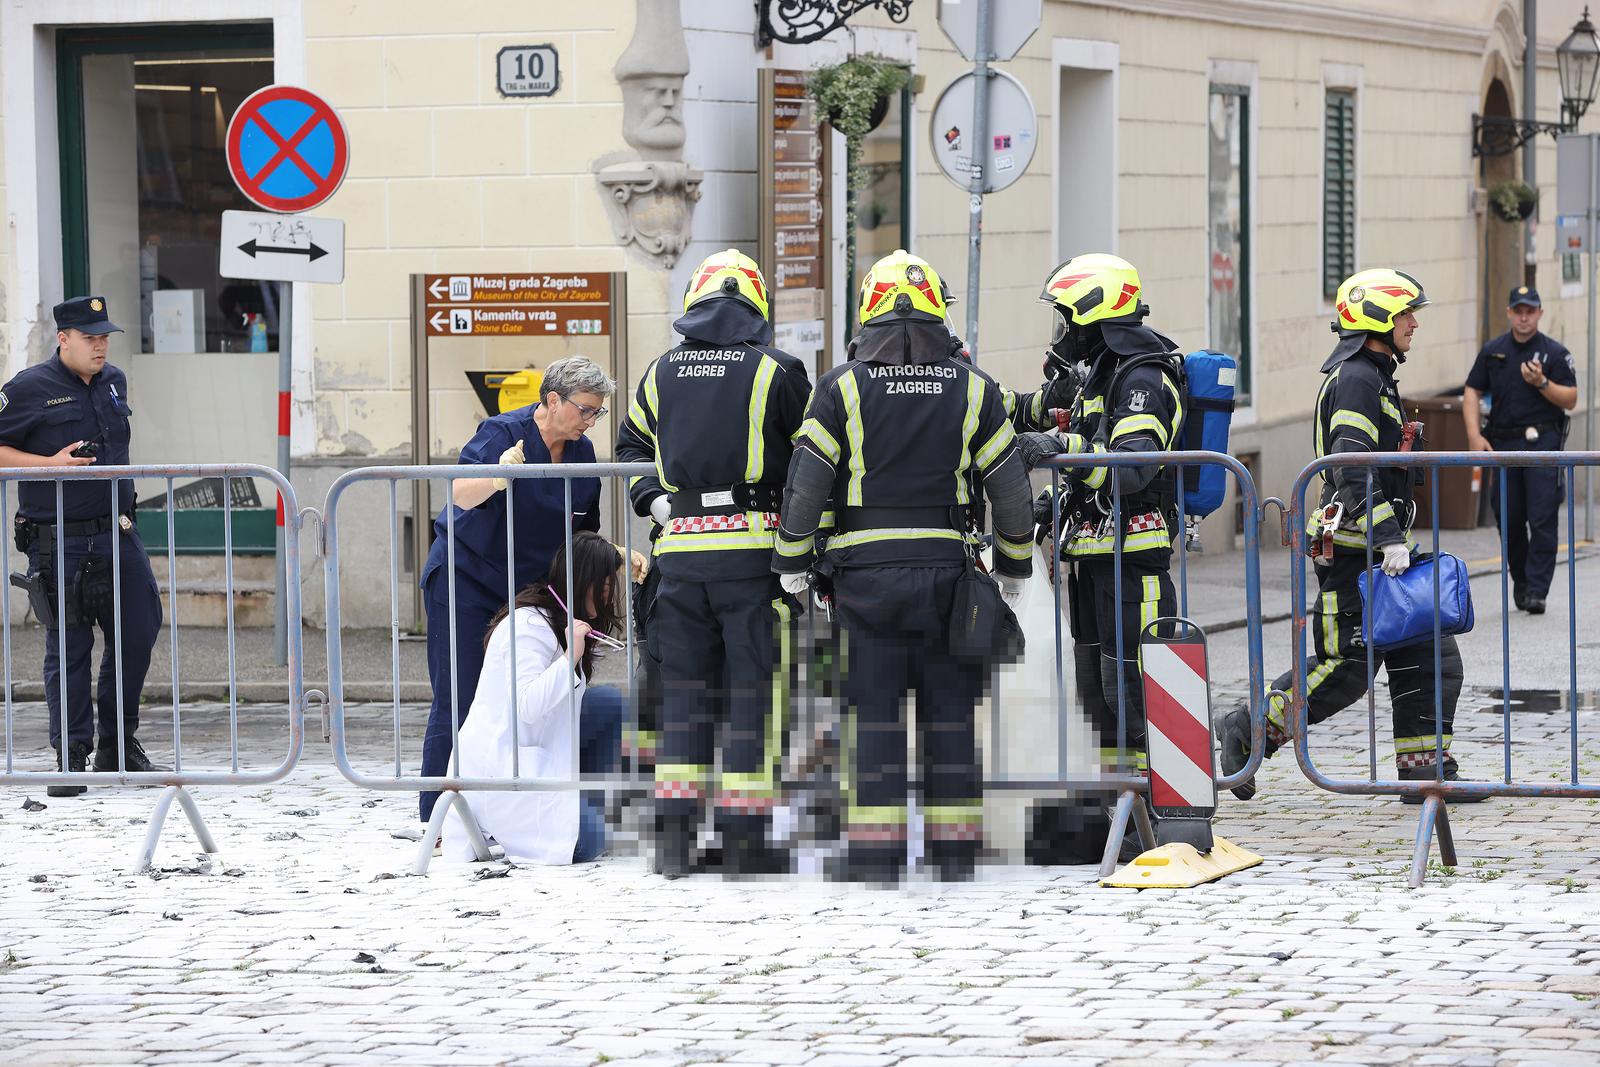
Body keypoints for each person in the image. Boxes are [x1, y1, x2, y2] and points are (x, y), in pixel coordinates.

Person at [772, 249, 1035, 884]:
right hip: (948, 575)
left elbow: (806, 487)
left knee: (875, 716)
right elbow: (1010, 489)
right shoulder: (976, 388)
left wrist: (792, 562)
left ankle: (876, 853)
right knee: (950, 715)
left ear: (867, 313)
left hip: (864, 580)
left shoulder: (841, 387)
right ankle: (953, 854)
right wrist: (1014, 566)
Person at [1218, 268, 1484, 802]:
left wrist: (1391, 540)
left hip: (1379, 552)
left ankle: (1425, 772)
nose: (1414, 323)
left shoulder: (1375, 373)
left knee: (1430, 655)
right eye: (1406, 312)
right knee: (1347, 671)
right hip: (1354, 553)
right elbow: (1351, 466)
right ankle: (1250, 729)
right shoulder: (1359, 378)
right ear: (1378, 319)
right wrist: (1388, 536)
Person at [616, 248, 811, 877]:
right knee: (757, 700)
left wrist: (653, 500)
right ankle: (745, 843)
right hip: (756, 562)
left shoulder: (660, 372)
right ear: (755, 308)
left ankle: (673, 843)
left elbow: (629, 448)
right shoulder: (779, 371)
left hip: (679, 563)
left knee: (683, 700)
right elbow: (811, 457)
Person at [418, 355, 629, 825]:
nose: (591, 420)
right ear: (552, 400)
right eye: (585, 409)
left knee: (533, 700)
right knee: (460, 696)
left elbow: (580, 536)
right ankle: (436, 819)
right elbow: (460, 494)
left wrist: (614, 552)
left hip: (527, 592)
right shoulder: (502, 433)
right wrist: (496, 476)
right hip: (467, 580)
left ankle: (510, 813)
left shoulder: (582, 453)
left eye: (598, 412)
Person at [1014, 254, 1184, 781]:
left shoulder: (1143, 378)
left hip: (1132, 561)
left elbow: (1130, 467)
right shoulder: (1101, 375)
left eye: (1066, 318)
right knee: (1098, 695)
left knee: (1134, 690)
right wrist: (1050, 505)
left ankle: (1168, 801)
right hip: (1094, 559)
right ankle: (1121, 809)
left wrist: (1059, 446)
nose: (1061, 332)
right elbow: (1075, 451)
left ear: (1094, 315)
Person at [0, 297, 165, 796]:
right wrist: (46, 463)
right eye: (89, 337)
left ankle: (119, 743)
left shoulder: (114, 380)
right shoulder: (29, 388)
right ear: (63, 338)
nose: (100, 345)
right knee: (70, 647)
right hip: (59, 541)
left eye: (104, 337)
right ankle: (71, 756)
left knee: (138, 631)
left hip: (118, 529)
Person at [441, 532, 625, 864]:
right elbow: (527, 706)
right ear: (583, 581)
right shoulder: (526, 625)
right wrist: (570, 658)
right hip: (502, 770)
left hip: (541, 757)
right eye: (605, 588)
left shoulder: (559, 621)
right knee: (590, 840)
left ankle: (590, 806)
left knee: (608, 703)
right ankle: (575, 821)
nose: (608, 598)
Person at [1463, 286, 1578, 615]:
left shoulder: (1554, 354)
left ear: (1540, 313)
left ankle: (1537, 590)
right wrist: (1474, 436)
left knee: (1542, 518)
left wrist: (1542, 384)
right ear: (1510, 313)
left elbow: (1570, 398)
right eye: (1519, 310)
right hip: (1503, 444)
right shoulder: (1494, 351)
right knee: (1509, 518)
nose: (1524, 316)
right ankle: (1522, 582)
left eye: (1531, 310)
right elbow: (1472, 390)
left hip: (1543, 445)